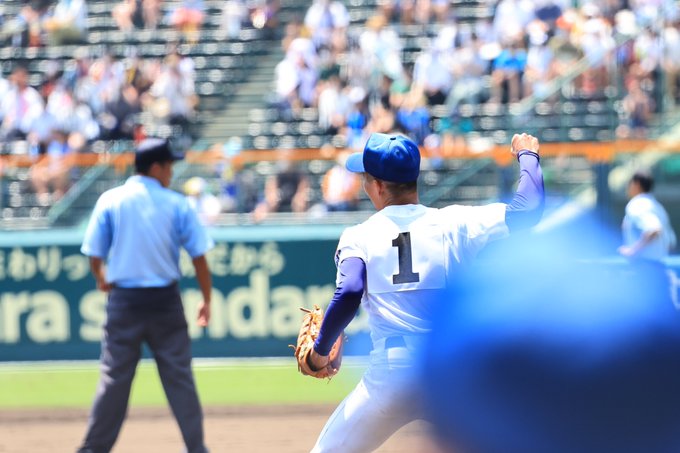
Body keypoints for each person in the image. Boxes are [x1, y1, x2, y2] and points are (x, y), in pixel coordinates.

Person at [306, 132, 545, 453]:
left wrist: (320, 351)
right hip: (448, 372)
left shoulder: (358, 236)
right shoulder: (455, 222)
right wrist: (528, 155)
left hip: (392, 374)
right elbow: (528, 209)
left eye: (366, 178)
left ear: (379, 186)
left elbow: (349, 291)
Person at [77, 138, 213, 453]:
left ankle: (92, 450)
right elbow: (199, 257)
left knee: (114, 379)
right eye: (169, 166)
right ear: (155, 167)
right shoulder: (177, 203)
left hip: (124, 302)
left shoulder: (111, 200)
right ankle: (196, 449)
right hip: (165, 303)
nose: (171, 172)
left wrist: (101, 278)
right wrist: (206, 299)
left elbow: (94, 254)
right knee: (180, 380)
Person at [619, 170, 676, 261]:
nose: (627, 187)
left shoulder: (637, 204)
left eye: (629, 183)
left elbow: (654, 229)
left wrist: (632, 251)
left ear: (637, 184)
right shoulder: (657, 206)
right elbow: (671, 242)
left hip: (644, 265)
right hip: (659, 263)